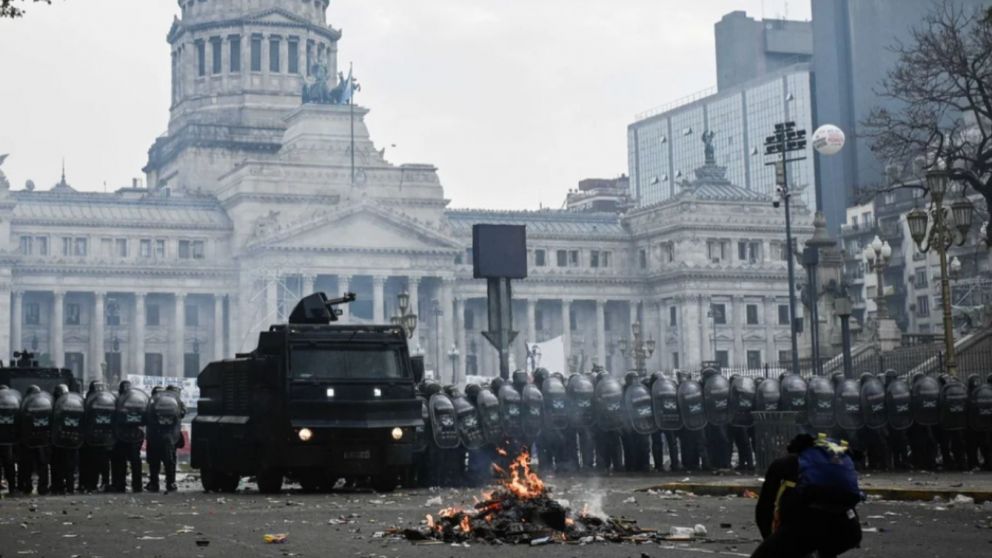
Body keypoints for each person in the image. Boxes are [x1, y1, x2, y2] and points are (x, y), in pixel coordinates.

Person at [752, 433, 863, 558]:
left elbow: (764, 509)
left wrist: (769, 541)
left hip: (805, 528)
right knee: (824, 549)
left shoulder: (785, 463)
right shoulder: (834, 464)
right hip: (849, 532)